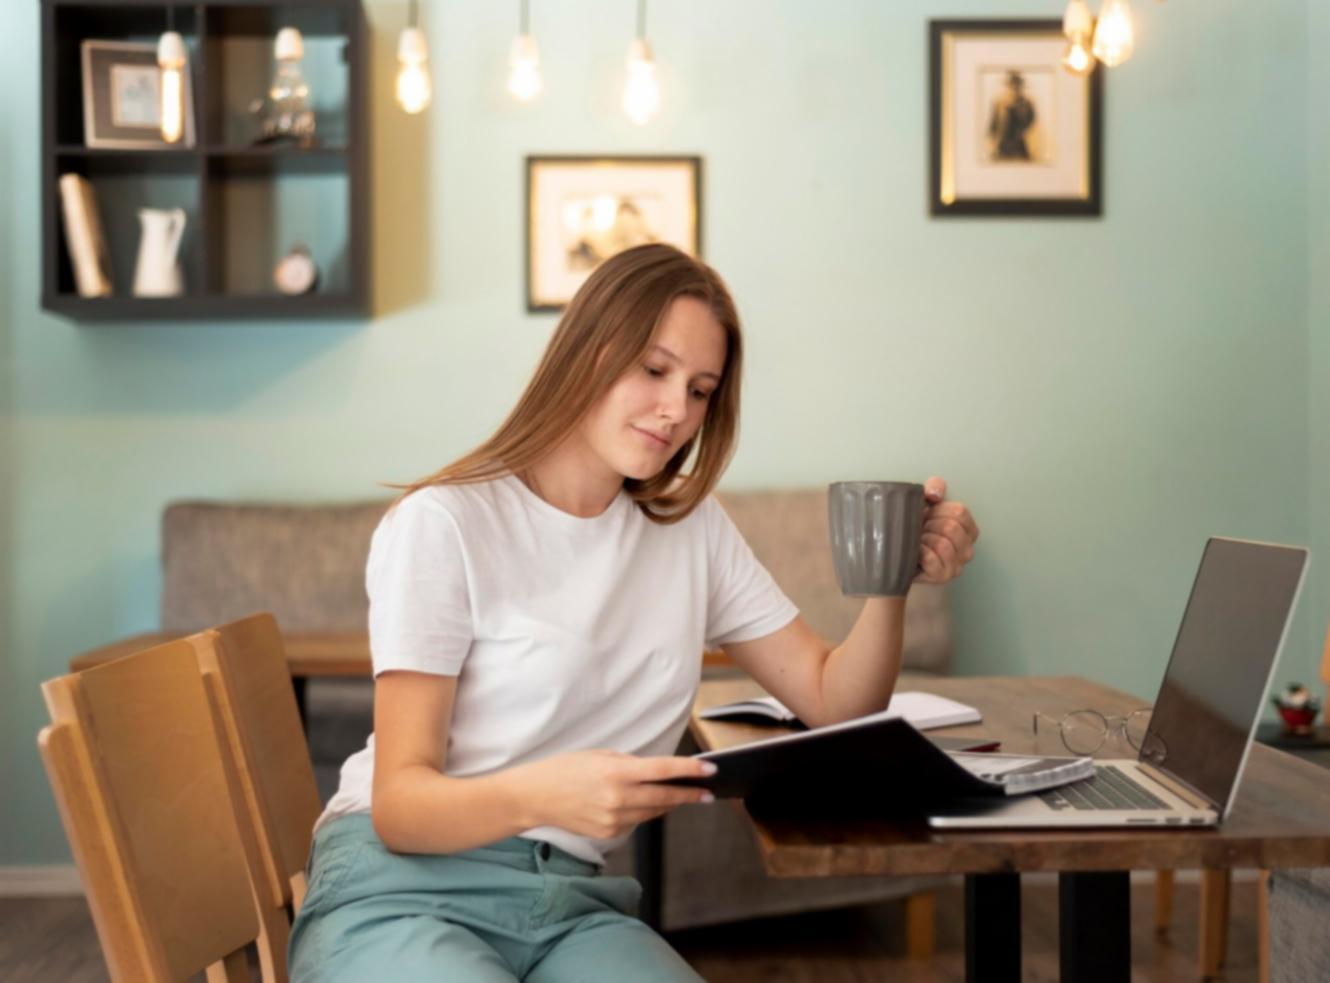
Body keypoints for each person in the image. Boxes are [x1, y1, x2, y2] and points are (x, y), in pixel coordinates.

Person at [287, 243, 980, 982]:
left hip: (572, 907)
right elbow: (400, 803)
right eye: (654, 370)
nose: (676, 410)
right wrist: (550, 793)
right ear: (588, 349)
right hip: (403, 889)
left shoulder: (693, 531)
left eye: (701, 389)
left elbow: (836, 699)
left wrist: (892, 577)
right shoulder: (445, 522)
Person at [987, 70, 1039, 161]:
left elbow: (1031, 121)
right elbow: (993, 126)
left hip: (1020, 145)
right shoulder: (999, 103)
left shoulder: (1027, 104)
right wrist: (992, 145)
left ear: (1021, 87)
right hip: (1003, 145)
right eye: (1012, 86)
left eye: (1018, 86)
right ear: (1008, 86)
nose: (1015, 89)